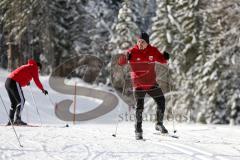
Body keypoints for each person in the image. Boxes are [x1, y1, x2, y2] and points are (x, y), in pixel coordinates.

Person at [118, 32, 170, 140]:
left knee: (161, 100)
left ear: (147, 43)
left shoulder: (153, 51)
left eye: (143, 42)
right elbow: (121, 62)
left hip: (151, 83)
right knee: (139, 107)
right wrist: (125, 57)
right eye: (139, 42)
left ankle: (159, 124)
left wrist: (165, 57)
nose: (140, 44)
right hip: (138, 84)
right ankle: (138, 129)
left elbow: (162, 59)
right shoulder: (132, 52)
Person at [5, 59, 48, 126]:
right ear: (38, 67)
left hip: (8, 82)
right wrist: (42, 89)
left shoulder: (28, 66)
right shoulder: (34, 67)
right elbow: (37, 80)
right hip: (14, 81)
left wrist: (26, 82)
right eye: (39, 70)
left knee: (14, 102)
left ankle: (10, 120)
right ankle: (18, 120)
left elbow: (21, 76)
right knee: (21, 100)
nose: (38, 72)